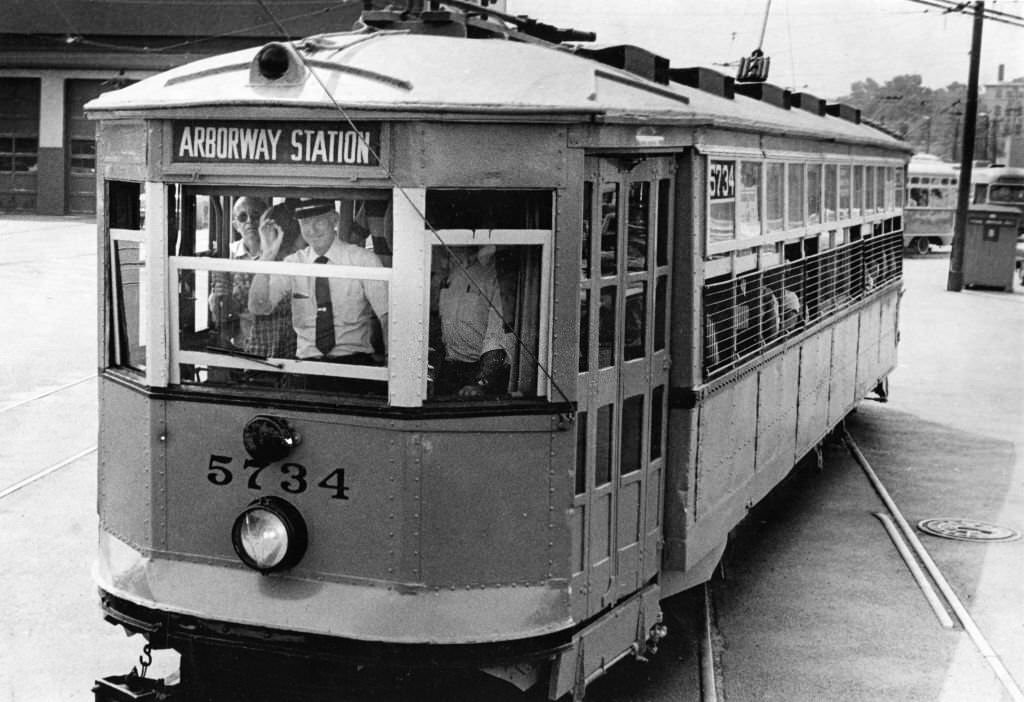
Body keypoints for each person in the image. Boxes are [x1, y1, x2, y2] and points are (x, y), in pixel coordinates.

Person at [248, 201, 388, 366]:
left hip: (354, 365)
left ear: (334, 220)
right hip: (307, 367)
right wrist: (267, 256)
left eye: (319, 221)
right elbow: (258, 307)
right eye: (305, 222)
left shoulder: (363, 260)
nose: (312, 230)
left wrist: (391, 366)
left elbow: (388, 317)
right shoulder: (294, 263)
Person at [433, 245, 510, 398]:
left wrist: (482, 382)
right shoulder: (456, 272)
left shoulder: (495, 274)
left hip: (482, 371)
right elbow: (438, 323)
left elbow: (496, 338)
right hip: (447, 370)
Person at [239, 203, 302, 358]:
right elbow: (255, 306)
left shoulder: (302, 267)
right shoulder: (256, 271)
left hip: (284, 357)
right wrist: (268, 254)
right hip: (263, 360)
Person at [209, 196, 268, 348]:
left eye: (256, 216)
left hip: (272, 341)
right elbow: (219, 312)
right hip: (239, 342)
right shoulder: (228, 255)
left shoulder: (279, 254)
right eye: (243, 217)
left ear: (266, 219)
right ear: (236, 225)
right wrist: (218, 297)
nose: (249, 221)